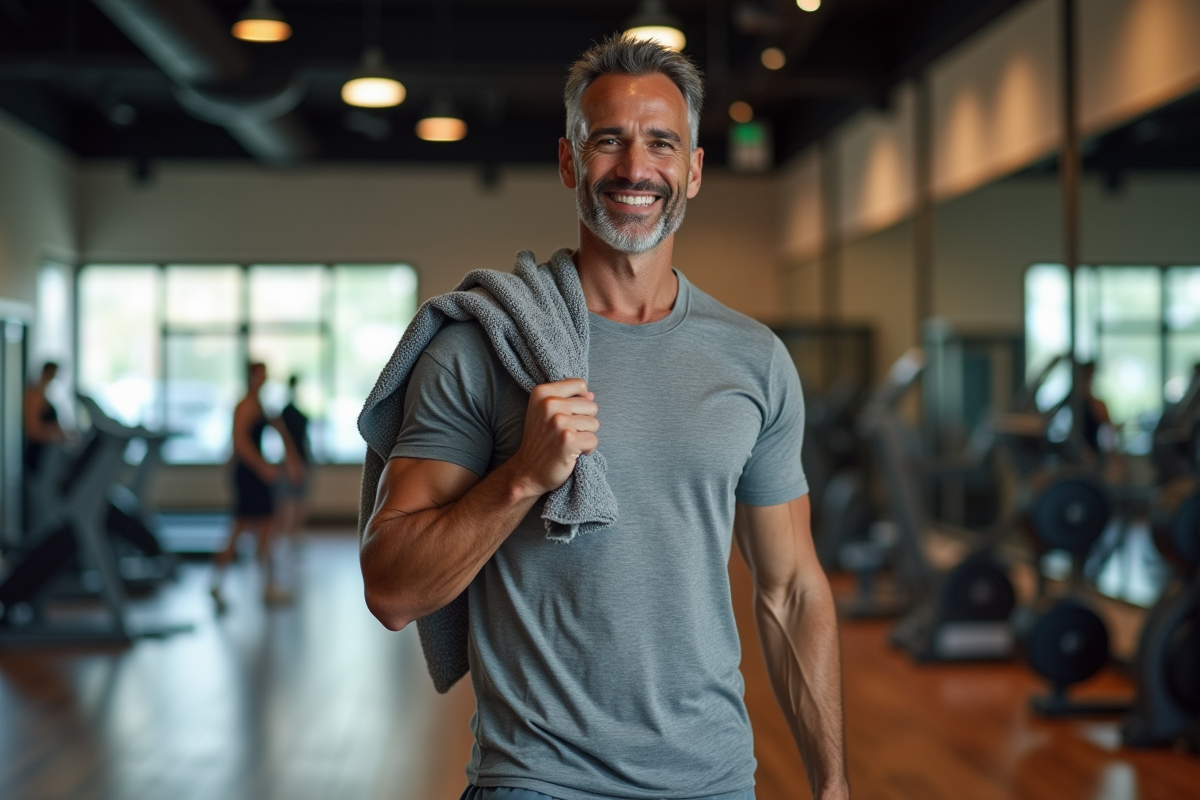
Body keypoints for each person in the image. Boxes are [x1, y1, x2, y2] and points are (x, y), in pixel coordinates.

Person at [361, 35, 848, 800]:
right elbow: (391, 589)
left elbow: (790, 591)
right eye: (608, 142)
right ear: (568, 162)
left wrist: (833, 783)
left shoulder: (753, 362)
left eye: (661, 143)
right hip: (537, 780)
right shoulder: (483, 347)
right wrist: (522, 477)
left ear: (692, 170)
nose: (634, 169)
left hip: (715, 780)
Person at [210, 362, 302, 611]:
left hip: (256, 475)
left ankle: (267, 585)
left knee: (265, 528)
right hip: (249, 475)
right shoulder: (244, 406)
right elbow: (240, 442)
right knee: (241, 528)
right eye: (260, 375)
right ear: (251, 377)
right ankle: (218, 583)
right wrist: (262, 467)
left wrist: (291, 460)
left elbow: (280, 431)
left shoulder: (260, 405)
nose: (263, 379)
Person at [276, 375, 311, 546]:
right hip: (294, 460)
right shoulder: (287, 411)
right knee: (287, 498)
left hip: (303, 457)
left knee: (299, 498)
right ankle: (284, 532)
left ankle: (295, 532)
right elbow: (287, 439)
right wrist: (292, 462)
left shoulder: (293, 409)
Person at [23, 361, 67, 477]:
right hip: (37, 452)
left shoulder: (44, 395)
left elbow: (52, 424)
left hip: (48, 452)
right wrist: (54, 436)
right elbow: (32, 430)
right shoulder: (34, 395)